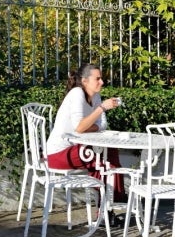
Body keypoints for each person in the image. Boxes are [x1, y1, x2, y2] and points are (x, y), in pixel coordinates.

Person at [46, 63, 126, 204]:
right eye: (98, 79)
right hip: (59, 154)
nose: (102, 82)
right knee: (103, 159)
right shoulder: (77, 93)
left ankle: (113, 203)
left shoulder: (95, 96)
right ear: (84, 81)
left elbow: (102, 125)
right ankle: (110, 205)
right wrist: (101, 108)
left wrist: (88, 126)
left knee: (110, 151)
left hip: (77, 150)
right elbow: (79, 127)